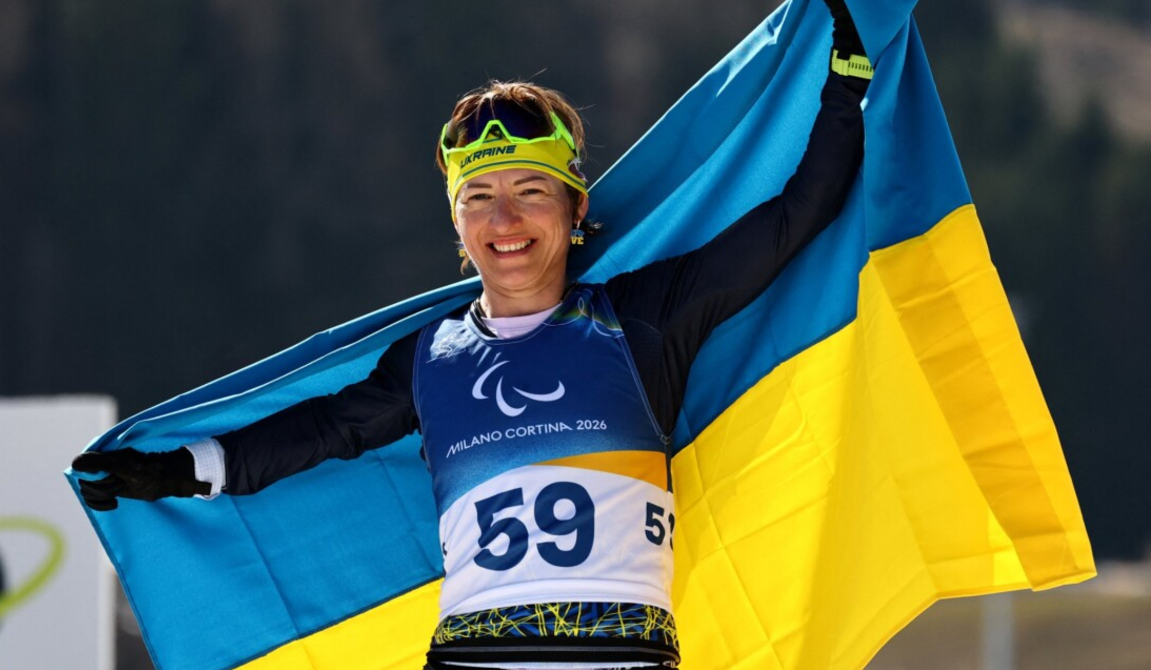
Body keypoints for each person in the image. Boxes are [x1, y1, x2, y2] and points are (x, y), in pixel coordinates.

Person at [73, 2, 872, 668]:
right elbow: (322, 430)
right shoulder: (430, 359)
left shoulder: (643, 318)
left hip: (621, 654)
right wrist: (178, 469)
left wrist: (845, 81)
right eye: (479, 197)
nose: (505, 219)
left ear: (576, 209)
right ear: (457, 223)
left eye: (531, 191)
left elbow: (797, 216)